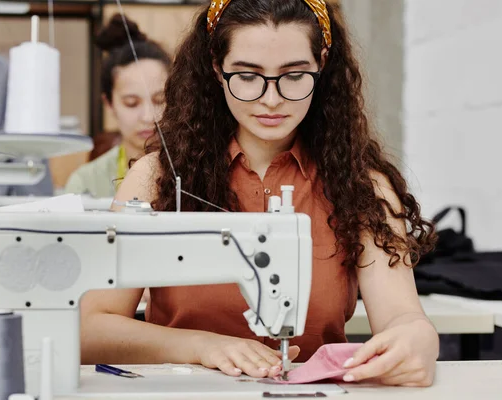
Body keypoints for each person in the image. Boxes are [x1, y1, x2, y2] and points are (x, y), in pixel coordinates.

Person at [81, 0, 440, 387]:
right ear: (217, 68)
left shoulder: (362, 187)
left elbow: (404, 318)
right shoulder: (156, 179)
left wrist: (418, 338)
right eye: (248, 76)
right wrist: (201, 346)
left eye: (294, 75)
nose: (272, 99)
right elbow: (90, 329)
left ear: (321, 64)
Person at [64, 14, 171, 198]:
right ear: (109, 104)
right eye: (131, 103)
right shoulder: (86, 183)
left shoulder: (200, 171)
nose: (148, 116)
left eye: (159, 100)